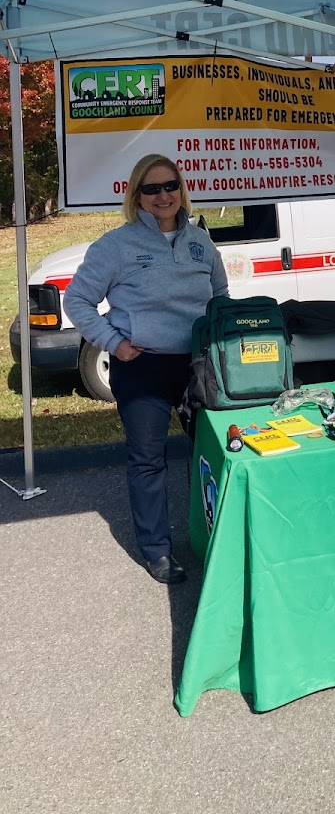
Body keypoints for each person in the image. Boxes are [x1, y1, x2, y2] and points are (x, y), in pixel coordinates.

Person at [64, 155, 228, 584]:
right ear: (137, 195)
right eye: (152, 189)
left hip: (197, 365)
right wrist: (114, 343)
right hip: (142, 366)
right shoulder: (115, 246)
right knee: (148, 461)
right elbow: (77, 301)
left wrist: (217, 339)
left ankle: (215, 540)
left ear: (181, 189)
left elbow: (221, 294)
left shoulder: (200, 243)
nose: (163, 196)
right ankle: (157, 550)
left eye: (170, 185)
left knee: (209, 455)